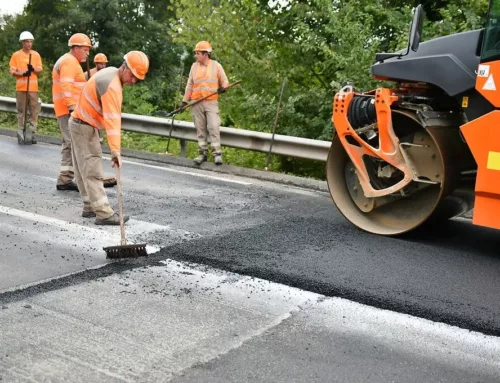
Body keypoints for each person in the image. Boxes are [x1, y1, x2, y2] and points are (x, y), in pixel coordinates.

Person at [69, 51, 149, 224]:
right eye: (133, 76)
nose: (133, 81)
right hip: (84, 125)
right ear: (125, 67)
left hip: (78, 122)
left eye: (137, 79)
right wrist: (115, 151)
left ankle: (89, 206)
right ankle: (104, 213)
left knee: (83, 167)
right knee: (92, 169)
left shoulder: (111, 72)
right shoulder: (112, 86)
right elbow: (113, 122)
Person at [52, 33, 91, 191]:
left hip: (68, 108)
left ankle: (65, 178)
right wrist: (72, 107)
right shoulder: (69, 61)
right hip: (68, 109)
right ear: (76, 48)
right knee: (71, 142)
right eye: (85, 49)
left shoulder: (71, 61)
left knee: (69, 143)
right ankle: (68, 179)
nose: (88, 53)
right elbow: (66, 86)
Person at [181, 40, 229, 165]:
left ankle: (217, 154)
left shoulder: (216, 66)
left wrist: (223, 88)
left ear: (205, 54)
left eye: (198, 53)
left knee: (213, 127)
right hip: (196, 103)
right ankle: (202, 154)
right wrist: (184, 101)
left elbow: (225, 81)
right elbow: (190, 85)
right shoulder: (194, 66)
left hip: (211, 102)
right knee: (200, 129)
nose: (196, 55)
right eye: (196, 53)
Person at [9, 31, 43, 145]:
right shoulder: (16, 55)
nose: (29, 44)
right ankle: (20, 133)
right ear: (22, 43)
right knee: (21, 111)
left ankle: (32, 133)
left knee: (33, 112)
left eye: (30, 41)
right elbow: (12, 71)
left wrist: (32, 69)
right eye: (27, 42)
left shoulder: (35, 55)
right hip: (21, 88)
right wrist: (23, 73)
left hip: (33, 88)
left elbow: (40, 69)